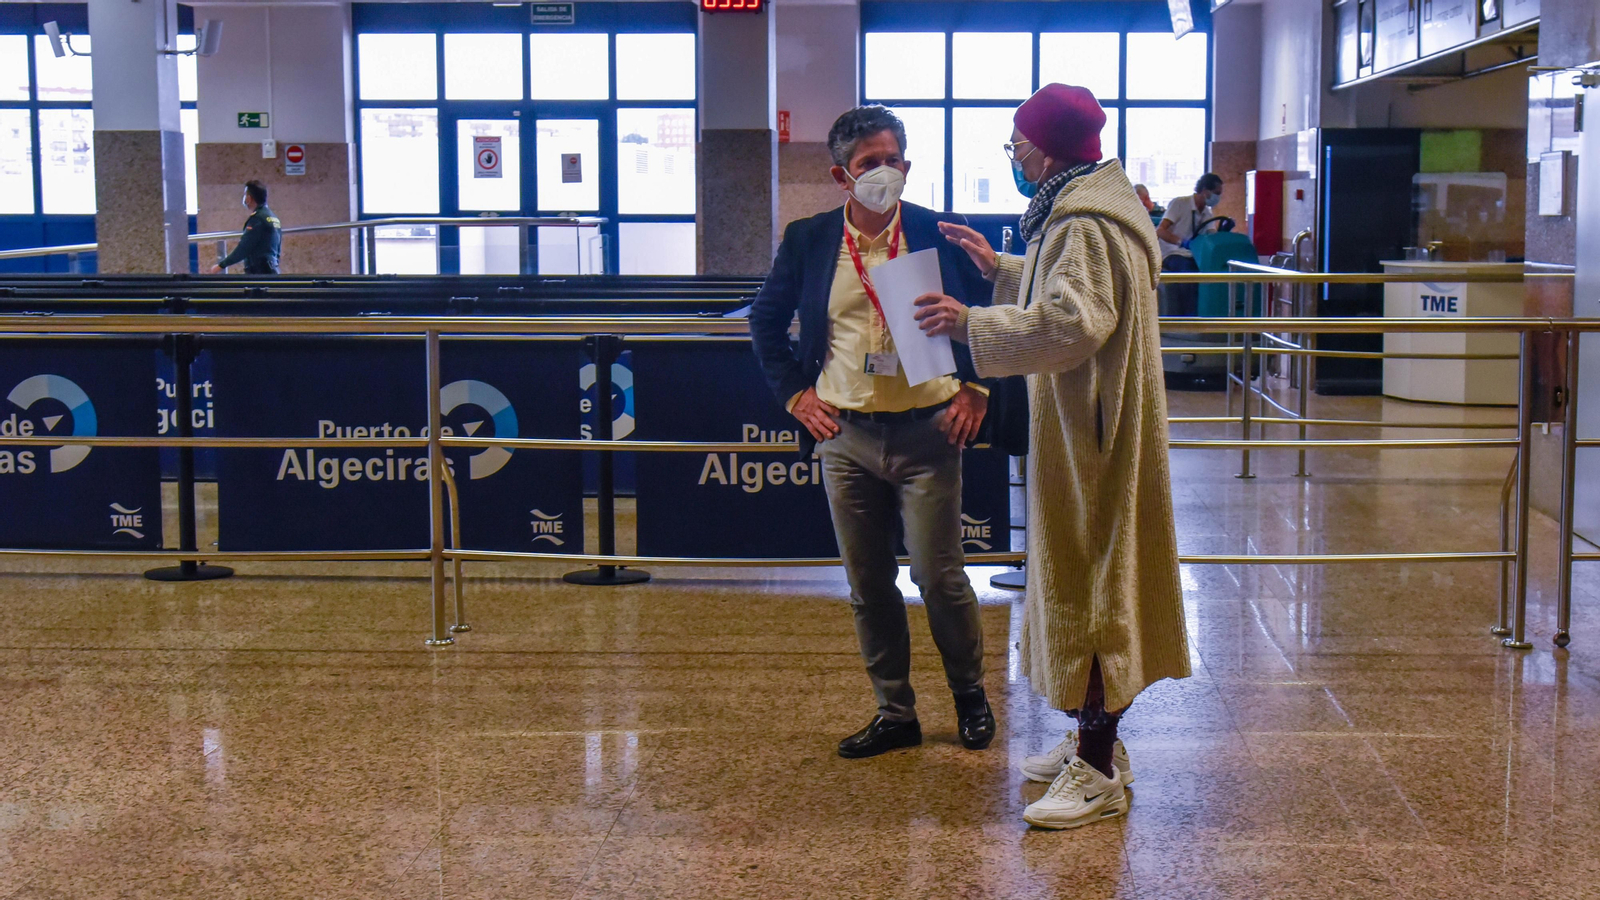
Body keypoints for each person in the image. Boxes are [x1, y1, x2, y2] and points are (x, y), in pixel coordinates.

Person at [913, 84, 1190, 829]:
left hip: (1092, 440)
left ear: (1045, 148)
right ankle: (1098, 744)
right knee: (1087, 581)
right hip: (1090, 427)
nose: (1013, 154)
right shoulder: (1084, 208)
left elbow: (1074, 323)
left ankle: (1096, 771)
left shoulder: (1083, 222)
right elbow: (1073, 291)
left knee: (1092, 591)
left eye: (1017, 143)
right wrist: (1003, 270)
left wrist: (970, 322)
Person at [749, 105, 997, 760]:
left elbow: (987, 312)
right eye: (869, 163)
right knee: (868, 583)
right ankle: (895, 711)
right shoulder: (810, 239)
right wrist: (796, 395)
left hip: (929, 431)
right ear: (842, 175)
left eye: (893, 160)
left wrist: (976, 387)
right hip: (846, 435)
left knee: (940, 576)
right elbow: (765, 322)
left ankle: (970, 696)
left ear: (907, 165)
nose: (885, 172)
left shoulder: (937, 232)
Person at [1154, 174, 1222, 315]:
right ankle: (1187, 316)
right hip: (1172, 253)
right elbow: (1160, 230)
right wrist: (1181, 242)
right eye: (1216, 193)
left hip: (1192, 255)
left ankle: (1206, 313)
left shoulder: (1207, 214)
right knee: (1188, 273)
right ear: (1205, 191)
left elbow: (1211, 236)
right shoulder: (1180, 204)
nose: (1218, 198)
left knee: (1209, 271)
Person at [211, 180, 281, 274]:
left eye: (245, 194)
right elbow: (278, 250)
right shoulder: (274, 218)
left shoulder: (257, 219)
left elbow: (244, 248)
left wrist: (221, 265)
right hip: (272, 270)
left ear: (249, 198)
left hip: (259, 272)